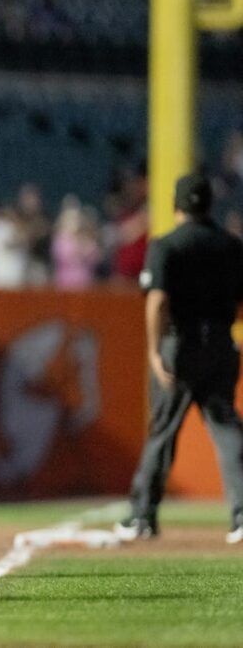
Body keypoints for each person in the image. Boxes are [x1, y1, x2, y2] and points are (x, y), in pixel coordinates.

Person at [115, 173, 243, 544]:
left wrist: (155, 351)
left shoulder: (167, 245)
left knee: (163, 431)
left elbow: (157, 301)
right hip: (220, 343)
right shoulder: (233, 247)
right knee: (226, 427)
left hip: (180, 344)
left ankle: (142, 516)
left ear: (176, 206)